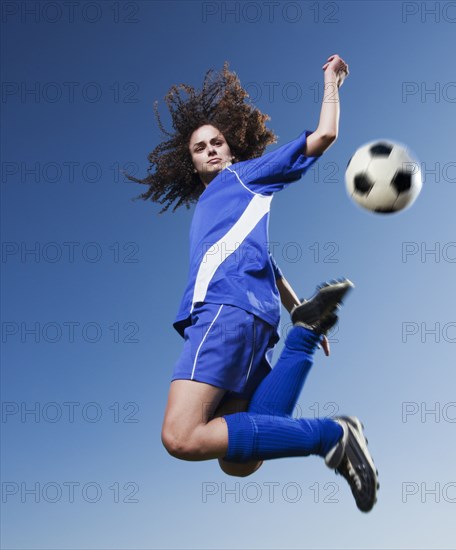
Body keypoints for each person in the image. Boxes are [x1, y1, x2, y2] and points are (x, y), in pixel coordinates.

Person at [128, 55, 379, 512]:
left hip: (225, 314)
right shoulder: (219, 205)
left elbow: (324, 136)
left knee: (180, 436)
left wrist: (330, 82)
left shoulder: (241, 177)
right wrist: (297, 307)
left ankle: (333, 435)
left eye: (216, 142)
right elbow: (265, 259)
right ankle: (301, 340)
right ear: (190, 164)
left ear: (232, 150)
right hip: (252, 320)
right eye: (199, 147)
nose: (209, 149)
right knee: (241, 462)